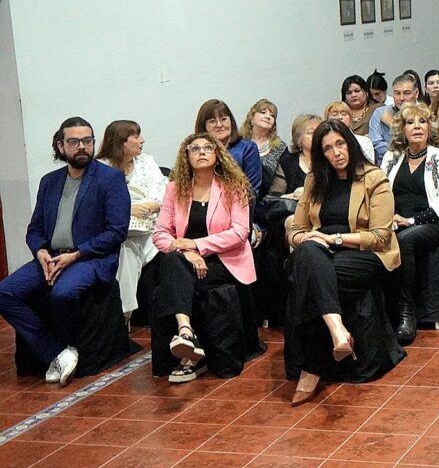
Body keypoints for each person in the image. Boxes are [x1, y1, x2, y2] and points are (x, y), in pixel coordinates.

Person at [0, 118, 130, 386]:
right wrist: (40, 253)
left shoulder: (110, 179)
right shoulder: (50, 182)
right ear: (60, 146)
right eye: (74, 142)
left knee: (63, 292)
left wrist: (76, 255)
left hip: (90, 258)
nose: (82, 147)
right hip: (52, 257)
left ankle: (63, 350)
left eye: (87, 141)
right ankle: (57, 352)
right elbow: (34, 230)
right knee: (5, 292)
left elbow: (116, 232)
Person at [285, 120, 404, 405]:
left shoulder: (374, 179)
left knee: (310, 276)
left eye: (340, 144)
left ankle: (311, 367)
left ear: (350, 143)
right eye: (327, 148)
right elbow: (296, 231)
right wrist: (310, 240)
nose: (336, 152)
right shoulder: (314, 181)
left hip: (364, 255)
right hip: (319, 254)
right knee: (309, 257)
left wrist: (333, 239)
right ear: (320, 154)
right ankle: (338, 330)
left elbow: (379, 236)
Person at [152, 132, 255, 382]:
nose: (201, 152)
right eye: (194, 148)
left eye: (207, 148)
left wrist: (198, 246)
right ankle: (186, 332)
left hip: (225, 261)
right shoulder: (174, 189)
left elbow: (240, 233)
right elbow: (160, 234)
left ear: (217, 155)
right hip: (184, 260)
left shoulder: (234, 187)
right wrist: (188, 253)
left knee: (173, 274)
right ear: (186, 157)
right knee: (171, 262)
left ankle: (190, 350)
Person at [381, 103, 439, 345]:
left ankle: (407, 311)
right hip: (397, 220)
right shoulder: (391, 158)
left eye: (422, 122)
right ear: (402, 130)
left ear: (430, 127)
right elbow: (380, 193)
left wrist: (411, 220)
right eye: (410, 123)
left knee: (406, 238)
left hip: (435, 223)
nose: (417, 127)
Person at [97, 120, 167, 318]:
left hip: (152, 224)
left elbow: (162, 189)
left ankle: (122, 315)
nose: (142, 140)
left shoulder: (146, 162)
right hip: (122, 227)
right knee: (125, 246)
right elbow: (99, 204)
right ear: (121, 142)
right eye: (136, 136)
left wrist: (151, 205)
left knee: (130, 247)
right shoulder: (101, 168)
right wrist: (128, 209)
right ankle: (123, 314)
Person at [194, 99, 262, 198]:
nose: (219, 125)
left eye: (223, 119)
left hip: (240, 206)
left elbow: (251, 191)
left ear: (231, 121)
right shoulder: (197, 152)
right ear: (204, 127)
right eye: (212, 121)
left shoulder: (247, 148)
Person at [240, 99, 288, 200]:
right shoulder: (238, 143)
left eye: (272, 115)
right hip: (239, 197)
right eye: (263, 112)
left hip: (267, 202)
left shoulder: (280, 147)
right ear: (251, 118)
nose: (268, 117)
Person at [368, 73, 421, 164]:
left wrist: (392, 124)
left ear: (416, 93)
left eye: (407, 93)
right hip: (386, 164)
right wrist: (403, 151)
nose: (401, 98)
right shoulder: (380, 112)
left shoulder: (424, 114)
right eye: (397, 93)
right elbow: (376, 144)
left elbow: (419, 146)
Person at [271, 114, 321, 198]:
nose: (317, 135)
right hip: (293, 209)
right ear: (299, 140)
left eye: (319, 131)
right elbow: (274, 196)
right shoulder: (288, 161)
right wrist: (293, 196)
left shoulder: (329, 159)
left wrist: (308, 192)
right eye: (311, 132)